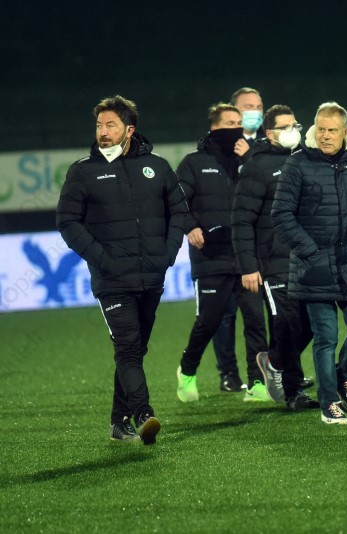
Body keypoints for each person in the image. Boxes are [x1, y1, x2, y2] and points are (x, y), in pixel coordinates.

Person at [57, 95, 188, 445]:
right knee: (128, 348)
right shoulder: (83, 171)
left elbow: (180, 213)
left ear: (129, 130)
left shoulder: (157, 166)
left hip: (152, 275)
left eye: (110, 125)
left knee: (136, 349)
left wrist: (167, 254)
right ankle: (143, 413)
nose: (103, 131)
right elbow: (68, 222)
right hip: (112, 280)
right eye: (99, 125)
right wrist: (102, 259)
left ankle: (118, 422)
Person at [272, 102, 347, 424]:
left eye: (332, 130)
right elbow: (281, 215)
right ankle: (329, 402)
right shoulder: (298, 163)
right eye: (321, 129)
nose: (325, 136)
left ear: (345, 132)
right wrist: (311, 252)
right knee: (326, 337)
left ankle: (343, 377)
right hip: (313, 266)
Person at [176, 103, 269, 403]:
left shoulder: (250, 159)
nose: (236, 128)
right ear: (214, 128)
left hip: (246, 256)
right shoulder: (193, 163)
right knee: (209, 321)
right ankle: (187, 369)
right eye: (230, 123)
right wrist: (190, 226)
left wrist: (250, 159)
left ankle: (257, 383)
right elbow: (177, 201)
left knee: (255, 321)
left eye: (238, 123)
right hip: (211, 256)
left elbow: (267, 193)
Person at [232, 104, 319, 411]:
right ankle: (294, 393)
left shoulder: (307, 159)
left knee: (312, 323)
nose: (293, 131)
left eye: (295, 125)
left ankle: (274, 361)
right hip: (275, 259)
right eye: (285, 127)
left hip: (308, 258)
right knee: (288, 321)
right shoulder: (257, 167)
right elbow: (242, 220)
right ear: (269, 134)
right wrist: (248, 266)